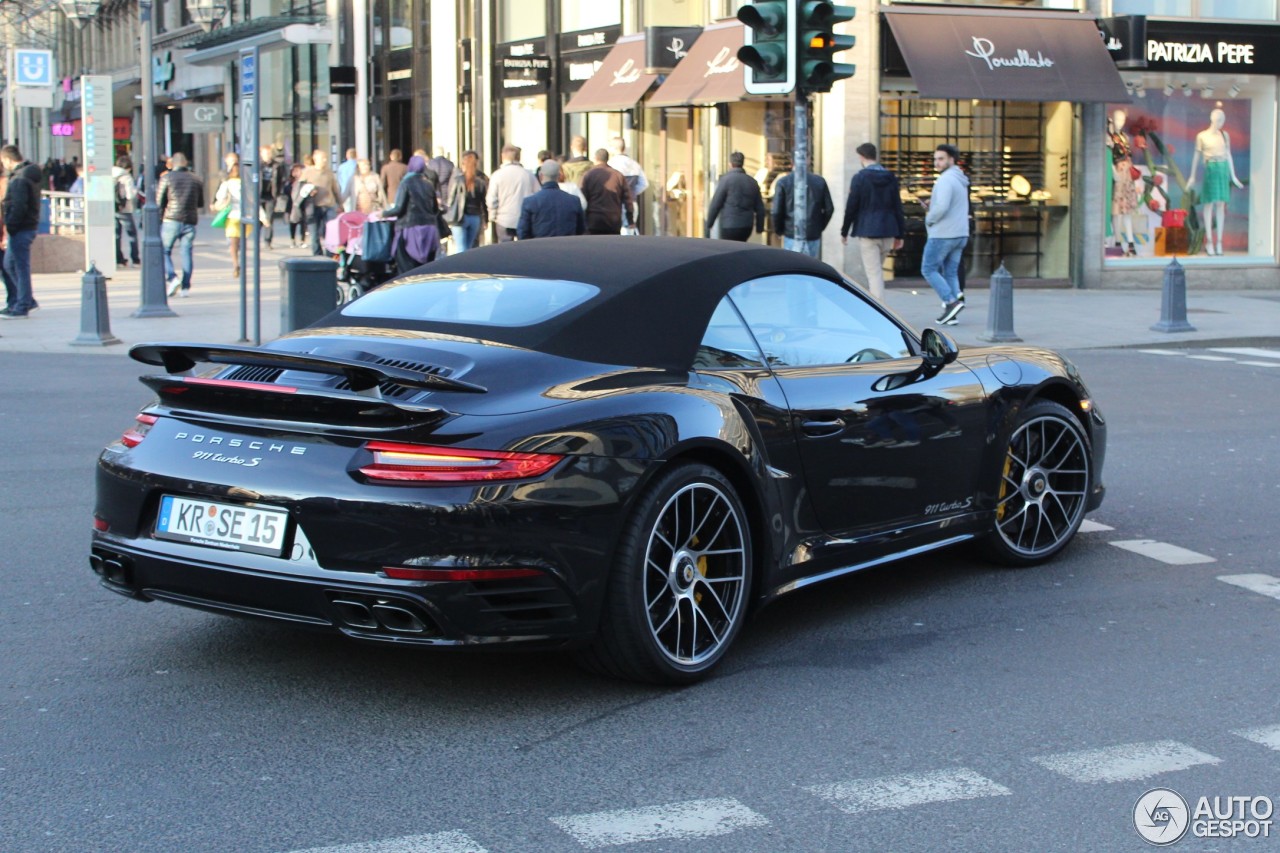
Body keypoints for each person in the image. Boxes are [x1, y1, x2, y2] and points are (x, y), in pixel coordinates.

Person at [840, 142, 906, 301]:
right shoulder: (890, 177)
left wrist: (844, 231)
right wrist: (900, 235)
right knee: (877, 272)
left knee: (874, 274)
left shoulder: (859, 178)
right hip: (889, 230)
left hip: (868, 230)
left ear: (862, 157)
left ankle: (880, 310)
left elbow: (852, 206)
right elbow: (898, 206)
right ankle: (878, 304)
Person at [921, 143, 969, 325]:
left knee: (928, 269)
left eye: (941, 159)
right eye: (935, 159)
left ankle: (950, 301)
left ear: (951, 159)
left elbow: (942, 207)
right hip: (960, 233)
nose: (937, 162)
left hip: (943, 233)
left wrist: (929, 218)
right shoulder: (959, 179)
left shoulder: (946, 180)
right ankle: (952, 314)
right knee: (950, 272)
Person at [1187, 108, 1244, 257]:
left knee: (1220, 204)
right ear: (1212, 119)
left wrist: (1233, 175)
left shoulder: (1225, 136)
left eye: (1222, 121)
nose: (1220, 123)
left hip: (1223, 168)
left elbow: (1228, 154)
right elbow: (1196, 156)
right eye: (1218, 120)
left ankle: (1219, 241)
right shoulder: (1202, 136)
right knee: (1209, 204)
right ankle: (1209, 242)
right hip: (1210, 168)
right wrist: (1192, 176)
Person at [0, 145, 41, 318]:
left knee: (18, 266)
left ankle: (23, 304)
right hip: (26, 227)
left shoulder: (19, 179)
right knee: (11, 264)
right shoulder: (26, 175)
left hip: (21, 228)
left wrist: (10, 226)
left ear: (8, 159)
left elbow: (18, 206)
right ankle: (26, 300)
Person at [381, 154, 441, 272]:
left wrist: (383, 213)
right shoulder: (428, 184)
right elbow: (435, 209)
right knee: (426, 268)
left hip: (410, 229)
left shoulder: (406, 183)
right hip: (429, 229)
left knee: (407, 267)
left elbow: (399, 208)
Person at [157, 152, 204, 297]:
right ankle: (185, 287)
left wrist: (159, 218)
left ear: (173, 164)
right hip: (190, 220)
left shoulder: (167, 178)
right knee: (186, 253)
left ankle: (172, 277)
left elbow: (159, 202)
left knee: (163, 251)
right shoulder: (196, 179)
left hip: (171, 218)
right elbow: (200, 203)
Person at [770, 168, 834, 258]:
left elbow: (776, 211)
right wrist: (819, 227)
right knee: (811, 267)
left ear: (792, 161)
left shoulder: (783, 182)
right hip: (812, 233)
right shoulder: (819, 181)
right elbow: (829, 209)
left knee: (791, 266)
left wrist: (779, 230)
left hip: (791, 233)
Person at [704, 151, 765, 242]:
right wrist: (760, 228)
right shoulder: (752, 182)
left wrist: (709, 224)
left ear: (730, 164)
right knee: (742, 249)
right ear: (742, 164)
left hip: (729, 225)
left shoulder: (725, 180)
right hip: (746, 226)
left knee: (729, 250)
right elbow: (760, 208)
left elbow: (716, 204)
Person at [517, 161, 586, 240]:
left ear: (541, 176)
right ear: (559, 176)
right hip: (566, 248)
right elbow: (580, 230)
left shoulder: (530, 202)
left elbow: (523, 233)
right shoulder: (574, 201)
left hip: (539, 248)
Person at [486, 144, 539, 243]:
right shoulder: (528, 175)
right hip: (524, 218)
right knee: (525, 248)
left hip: (503, 219)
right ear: (518, 157)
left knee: (505, 252)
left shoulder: (497, 175)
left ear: (502, 157)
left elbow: (491, 199)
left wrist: (492, 215)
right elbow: (537, 195)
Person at [1106, 110, 1138, 257]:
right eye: (1118, 119)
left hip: (1127, 174)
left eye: (1123, 119)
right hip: (1118, 172)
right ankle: (1118, 241)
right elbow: (1109, 156)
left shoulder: (1124, 137)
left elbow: (1128, 156)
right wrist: (1114, 172)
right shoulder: (1110, 137)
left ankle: (1130, 242)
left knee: (1126, 209)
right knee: (1117, 209)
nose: (1121, 122)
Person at [580, 148, 633, 236]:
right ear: (607, 159)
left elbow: (582, 199)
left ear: (595, 158)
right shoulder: (618, 175)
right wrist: (630, 220)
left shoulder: (588, 175)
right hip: (613, 220)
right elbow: (628, 200)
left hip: (593, 220)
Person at [443, 150, 488, 252]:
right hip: (475, 217)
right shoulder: (480, 182)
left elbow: (451, 200)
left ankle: (461, 267)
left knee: (460, 248)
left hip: (460, 217)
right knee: (470, 247)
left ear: (463, 164)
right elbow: (483, 203)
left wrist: (447, 213)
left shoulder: (458, 180)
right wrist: (486, 219)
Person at [299, 149, 340, 256]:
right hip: (313, 207)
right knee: (314, 234)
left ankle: (329, 255)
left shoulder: (329, 172)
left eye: (326, 158)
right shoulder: (307, 172)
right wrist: (308, 192)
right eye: (323, 158)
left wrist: (340, 204)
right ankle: (317, 256)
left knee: (330, 232)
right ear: (315, 159)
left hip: (328, 206)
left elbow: (335, 189)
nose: (325, 160)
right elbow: (299, 188)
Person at [213, 163, 250, 277]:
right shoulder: (246, 184)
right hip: (245, 216)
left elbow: (220, 197)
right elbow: (253, 201)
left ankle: (235, 264)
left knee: (233, 245)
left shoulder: (227, 184)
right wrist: (262, 217)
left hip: (232, 216)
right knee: (242, 243)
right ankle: (243, 264)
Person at [608, 137, 648, 231]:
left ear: (614, 148)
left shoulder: (611, 164)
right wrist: (631, 193)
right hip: (632, 202)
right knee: (630, 231)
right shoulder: (634, 164)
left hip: (616, 203)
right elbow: (644, 183)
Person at [113, 155, 140, 266]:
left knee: (116, 235)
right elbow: (130, 195)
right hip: (124, 210)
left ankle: (118, 259)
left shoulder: (110, 173)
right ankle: (135, 258)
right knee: (132, 234)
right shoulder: (126, 176)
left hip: (112, 208)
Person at [259, 145, 287, 249]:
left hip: (271, 195)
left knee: (269, 218)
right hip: (260, 194)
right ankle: (257, 239)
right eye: (265, 153)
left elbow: (281, 179)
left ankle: (267, 241)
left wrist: (279, 192)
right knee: (259, 219)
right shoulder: (258, 165)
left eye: (268, 153)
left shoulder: (277, 165)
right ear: (261, 154)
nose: (267, 156)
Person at [286, 162, 307, 248]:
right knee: (292, 222)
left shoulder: (304, 181)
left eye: (299, 171)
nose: (297, 173)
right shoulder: (290, 182)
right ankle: (292, 239)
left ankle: (302, 240)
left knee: (303, 222)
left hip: (303, 204)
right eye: (295, 171)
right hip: (292, 204)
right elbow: (285, 191)